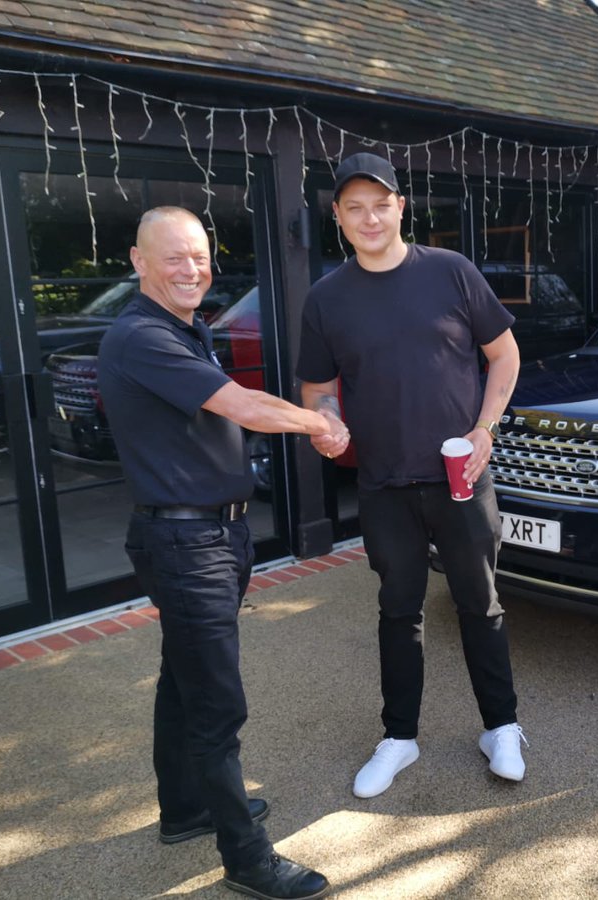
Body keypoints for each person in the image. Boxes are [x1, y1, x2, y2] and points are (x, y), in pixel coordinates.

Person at [97, 207, 345, 900]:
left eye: (199, 256)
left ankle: (185, 811)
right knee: (216, 703)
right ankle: (247, 859)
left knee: (184, 680)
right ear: (138, 262)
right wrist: (321, 424)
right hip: (185, 542)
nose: (190, 269)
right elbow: (247, 408)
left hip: (210, 535)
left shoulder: (186, 329)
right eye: (172, 257)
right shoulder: (143, 336)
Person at [296, 153, 526, 799]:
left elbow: (504, 355)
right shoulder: (326, 298)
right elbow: (317, 387)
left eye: (380, 203)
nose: (369, 217)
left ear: (401, 206)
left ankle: (501, 727)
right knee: (398, 610)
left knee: (480, 603)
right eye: (354, 207)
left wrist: (485, 430)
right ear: (338, 218)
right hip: (384, 483)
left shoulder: (451, 273)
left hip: (460, 476)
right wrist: (327, 420)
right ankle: (399, 738)